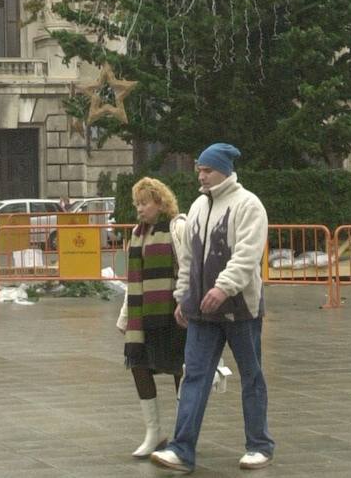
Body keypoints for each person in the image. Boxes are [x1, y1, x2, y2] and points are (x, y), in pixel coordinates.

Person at [151, 144, 273, 473]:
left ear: (223, 170)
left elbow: (248, 254)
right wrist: (183, 297)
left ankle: (259, 445)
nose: (201, 176)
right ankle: (181, 449)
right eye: (199, 170)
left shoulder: (248, 205)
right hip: (202, 312)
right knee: (194, 376)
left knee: (252, 376)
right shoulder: (198, 207)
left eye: (206, 170)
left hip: (240, 309)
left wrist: (223, 287)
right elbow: (188, 259)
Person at [117, 177, 188, 459]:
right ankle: (154, 432)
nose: (139, 209)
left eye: (144, 203)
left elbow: (187, 267)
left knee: (177, 370)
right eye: (137, 204)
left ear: (160, 202)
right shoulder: (137, 233)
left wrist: (185, 302)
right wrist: (125, 317)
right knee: (139, 365)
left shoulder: (177, 227)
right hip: (142, 315)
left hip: (172, 314)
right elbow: (133, 280)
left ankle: (184, 435)